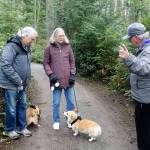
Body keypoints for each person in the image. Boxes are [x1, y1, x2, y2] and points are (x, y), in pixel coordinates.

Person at [0, 27, 38, 139]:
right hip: (11, 84)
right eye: (32, 39)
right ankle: (9, 130)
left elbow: (26, 65)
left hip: (22, 84)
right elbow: (5, 65)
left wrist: (26, 80)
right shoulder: (11, 46)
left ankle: (21, 128)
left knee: (22, 106)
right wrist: (18, 80)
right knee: (11, 108)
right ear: (24, 36)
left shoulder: (27, 47)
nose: (33, 41)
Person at [119, 22, 150, 150]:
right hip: (143, 98)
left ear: (136, 37)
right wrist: (128, 58)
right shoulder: (144, 47)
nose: (130, 42)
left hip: (146, 100)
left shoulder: (148, 50)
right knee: (143, 131)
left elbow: (145, 68)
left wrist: (128, 57)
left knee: (145, 134)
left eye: (130, 38)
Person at [43, 27, 76, 130]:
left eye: (63, 35)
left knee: (70, 102)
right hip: (55, 80)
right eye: (59, 36)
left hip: (68, 80)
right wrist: (50, 74)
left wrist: (72, 74)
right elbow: (45, 63)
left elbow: (72, 62)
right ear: (55, 36)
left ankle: (70, 121)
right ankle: (56, 121)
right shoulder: (49, 48)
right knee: (56, 103)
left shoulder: (68, 47)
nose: (61, 37)